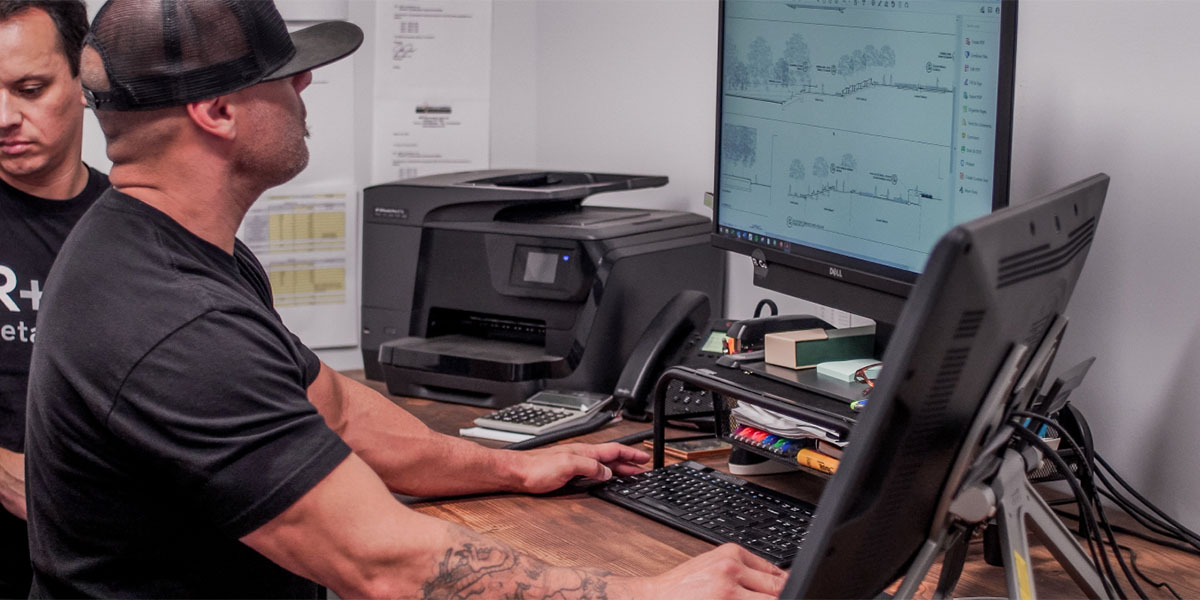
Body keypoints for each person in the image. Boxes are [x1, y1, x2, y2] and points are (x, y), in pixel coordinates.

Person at [24, 0, 787, 597]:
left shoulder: (154, 243)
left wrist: (515, 468)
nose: (304, 84)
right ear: (216, 112)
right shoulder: (172, 319)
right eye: (282, 75)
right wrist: (652, 592)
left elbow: (340, 411)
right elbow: (382, 566)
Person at [0, 0, 107, 596]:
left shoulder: (139, 227)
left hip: (104, 560)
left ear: (85, 78)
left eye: (30, 88)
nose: (3, 116)